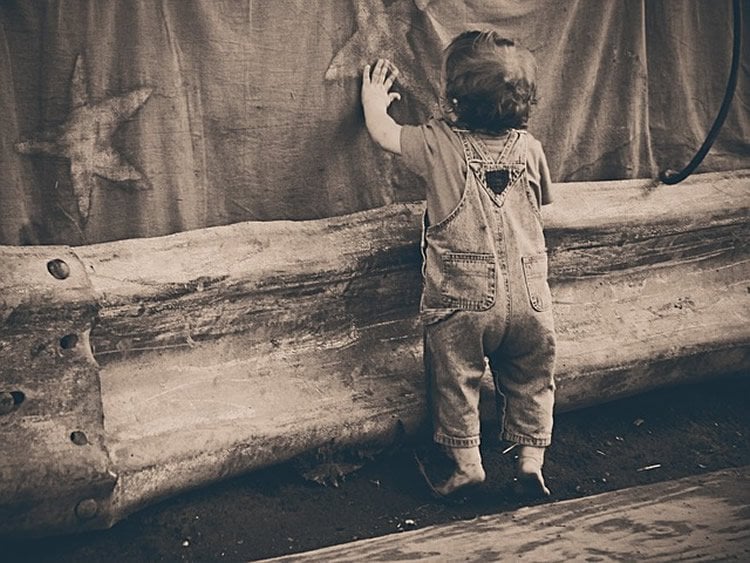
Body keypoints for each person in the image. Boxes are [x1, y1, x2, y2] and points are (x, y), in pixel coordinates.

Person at [361, 30, 556, 498]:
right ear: (524, 102)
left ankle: (467, 466)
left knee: (456, 378)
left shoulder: (437, 144)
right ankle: (530, 461)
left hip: (463, 298)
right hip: (531, 298)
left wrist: (373, 101)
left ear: (451, 97)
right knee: (532, 377)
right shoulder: (529, 149)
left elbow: (385, 134)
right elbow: (542, 201)